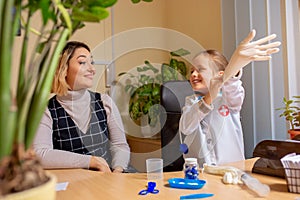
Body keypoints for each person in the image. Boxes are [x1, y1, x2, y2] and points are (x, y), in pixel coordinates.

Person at [179, 30, 281, 167]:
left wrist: (233, 70)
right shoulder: (191, 102)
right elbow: (186, 127)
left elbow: (233, 88)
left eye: (200, 69)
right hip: (201, 174)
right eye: (192, 71)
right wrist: (210, 96)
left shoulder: (228, 98)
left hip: (232, 170)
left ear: (220, 74)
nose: (193, 74)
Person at [33, 41, 130, 173]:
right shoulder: (47, 110)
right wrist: (91, 161)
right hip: (73, 185)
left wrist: (117, 171)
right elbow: (40, 154)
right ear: (64, 68)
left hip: (108, 178)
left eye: (92, 62)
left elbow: (120, 146)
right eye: (82, 62)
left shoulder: (105, 102)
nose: (92, 69)